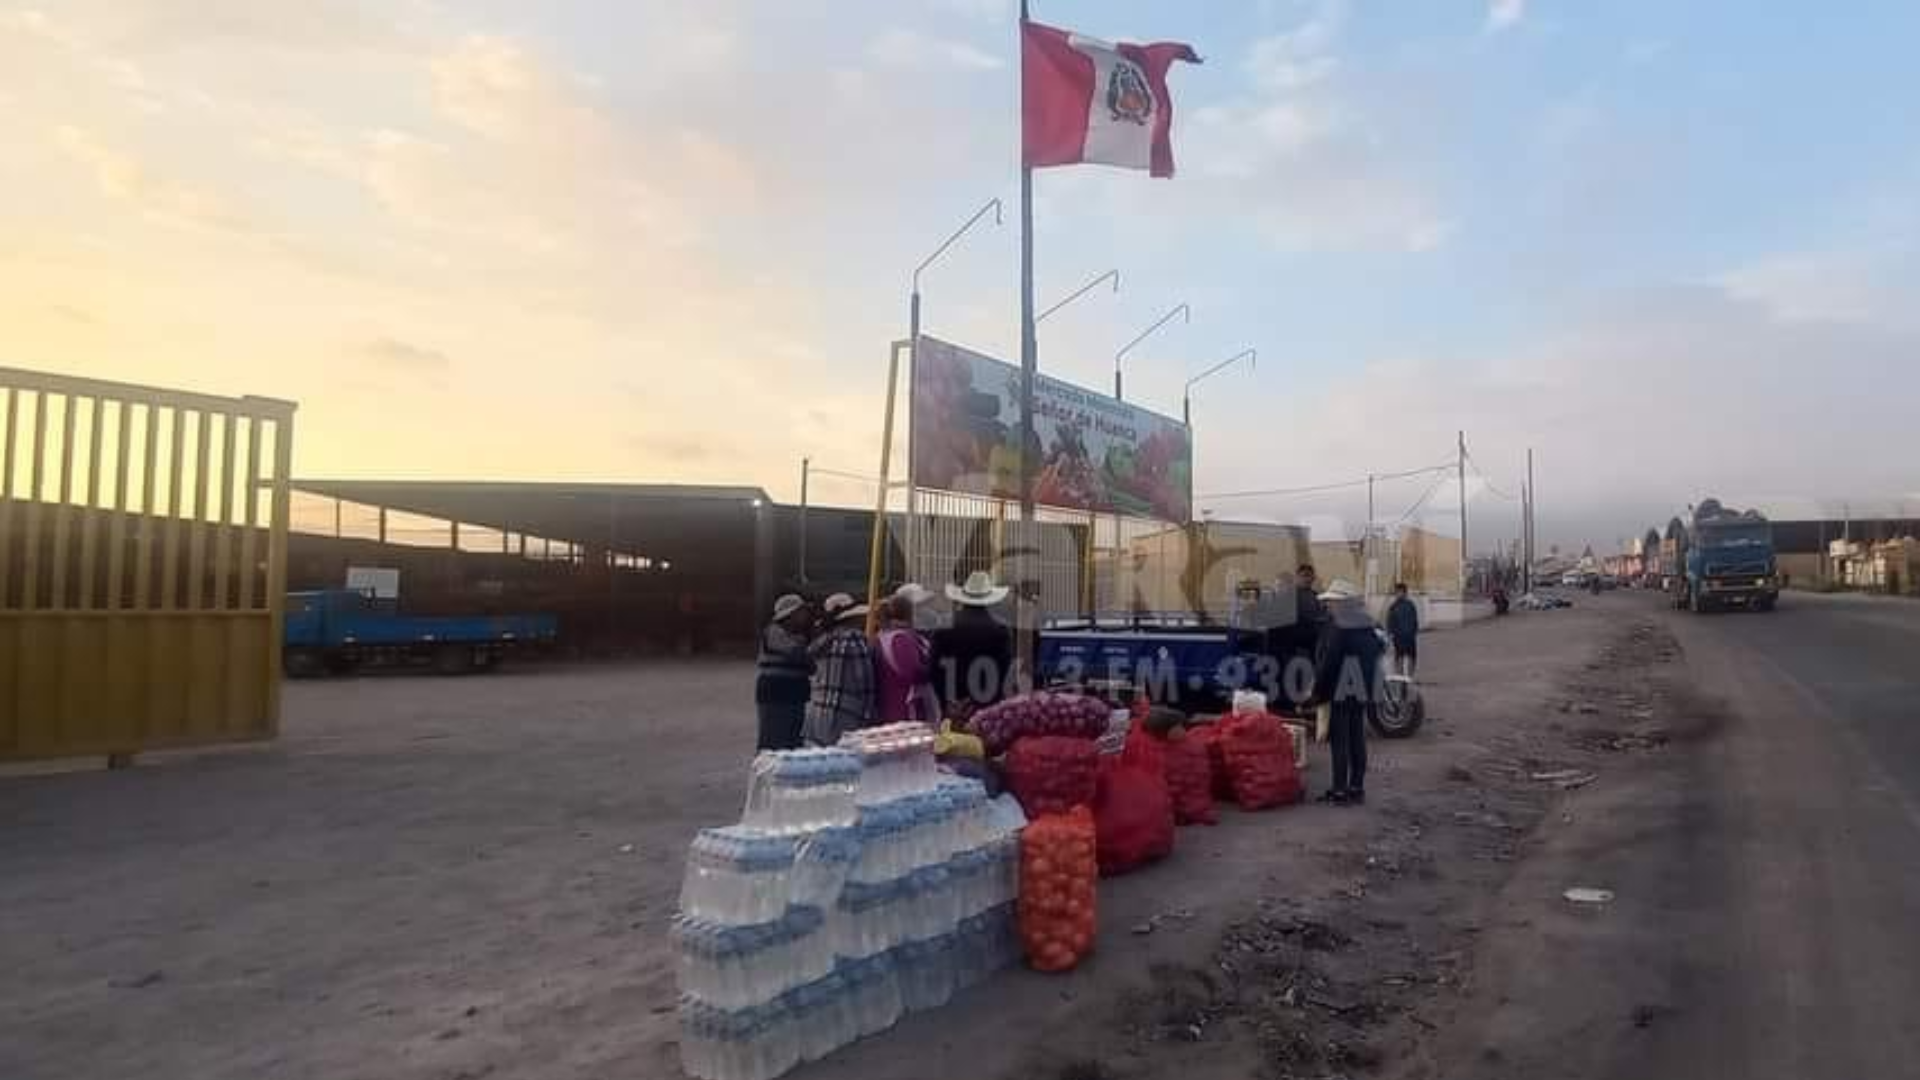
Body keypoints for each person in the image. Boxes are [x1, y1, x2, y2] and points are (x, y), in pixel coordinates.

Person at [1313, 578, 1384, 806]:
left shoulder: (1339, 626)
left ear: (1342, 603)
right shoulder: (1368, 624)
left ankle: (1339, 791)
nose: (1329, 605)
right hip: (1362, 688)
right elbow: (1377, 653)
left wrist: (1318, 692)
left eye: (1333, 601)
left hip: (1341, 690)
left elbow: (1330, 663)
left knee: (1340, 741)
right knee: (1357, 739)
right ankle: (1356, 788)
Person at [932, 572, 1013, 716]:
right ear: (989, 599)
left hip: (952, 703)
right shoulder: (1000, 630)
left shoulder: (943, 625)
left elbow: (933, 668)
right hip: (986, 706)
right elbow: (1003, 672)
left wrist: (946, 700)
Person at [802, 593, 876, 746]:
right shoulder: (854, 637)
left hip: (816, 715)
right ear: (851, 618)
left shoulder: (821, 640)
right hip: (845, 715)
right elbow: (865, 679)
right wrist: (869, 714)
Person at [755, 594, 815, 750]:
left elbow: (811, 666)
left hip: (795, 694)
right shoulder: (774, 631)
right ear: (789, 614)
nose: (805, 615)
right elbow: (798, 654)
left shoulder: (799, 635)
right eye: (801, 612)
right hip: (776, 693)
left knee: (793, 741)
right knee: (773, 740)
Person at [875, 584, 940, 724]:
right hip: (904, 712)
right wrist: (938, 667)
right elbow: (914, 673)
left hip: (901, 709)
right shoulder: (900, 638)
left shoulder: (895, 634)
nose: (926, 610)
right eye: (921, 606)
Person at [1385, 582, 1420, 679]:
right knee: (1399, 656)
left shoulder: (1410, 605)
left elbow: (1415, 619)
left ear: (1405, 593)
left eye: (1400, 592)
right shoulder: (1393, 607)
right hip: (1398, 636)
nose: (1398, 594)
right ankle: (1400, 677)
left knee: (1412, 657)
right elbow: (1389, 621)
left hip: (1409, 636)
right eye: (1397, 592)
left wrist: (1414, 630)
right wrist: (1390, 634)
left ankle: (1410, 677)